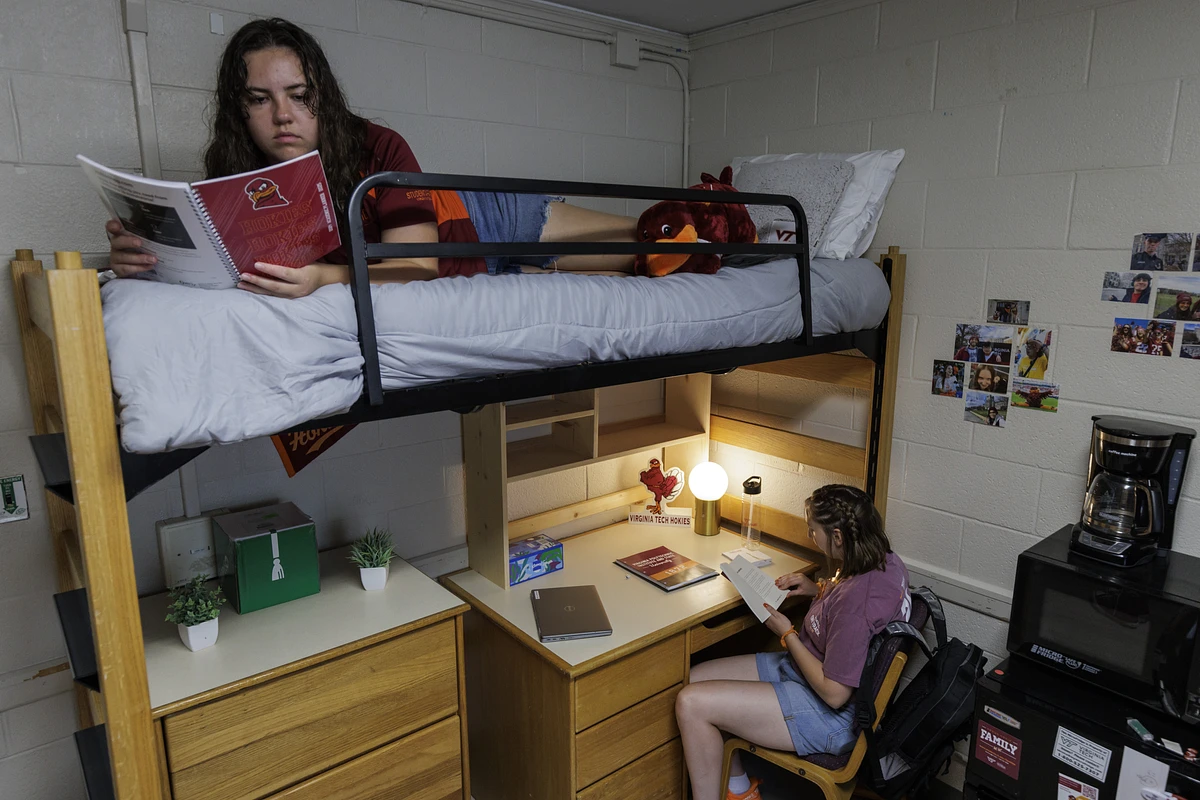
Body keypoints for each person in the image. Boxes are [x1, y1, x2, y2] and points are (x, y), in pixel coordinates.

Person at [106, 18, 640, 297]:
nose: (284, 115)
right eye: (260, 99)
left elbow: (417, 267)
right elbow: (225, 272)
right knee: (629, 278)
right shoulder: (236, 179)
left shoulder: (376, 145)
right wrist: (146, 262)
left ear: (324, 93)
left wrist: (323, 278)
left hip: (483, 220)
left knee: (659, 247)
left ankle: (720, 216)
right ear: (240, 111)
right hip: (478, 273)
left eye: (299, 93)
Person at [675, 484, 910, 800]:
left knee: (692, 703)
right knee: (693, 678)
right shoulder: (885, 561)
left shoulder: (857, 604)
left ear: (838, 537)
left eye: (814, 532)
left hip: (828, 714)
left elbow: (835, 693)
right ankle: (741, 792)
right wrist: (818, 591)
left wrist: (786, 632)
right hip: (805, 671)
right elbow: (852, 621)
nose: (812, 538)